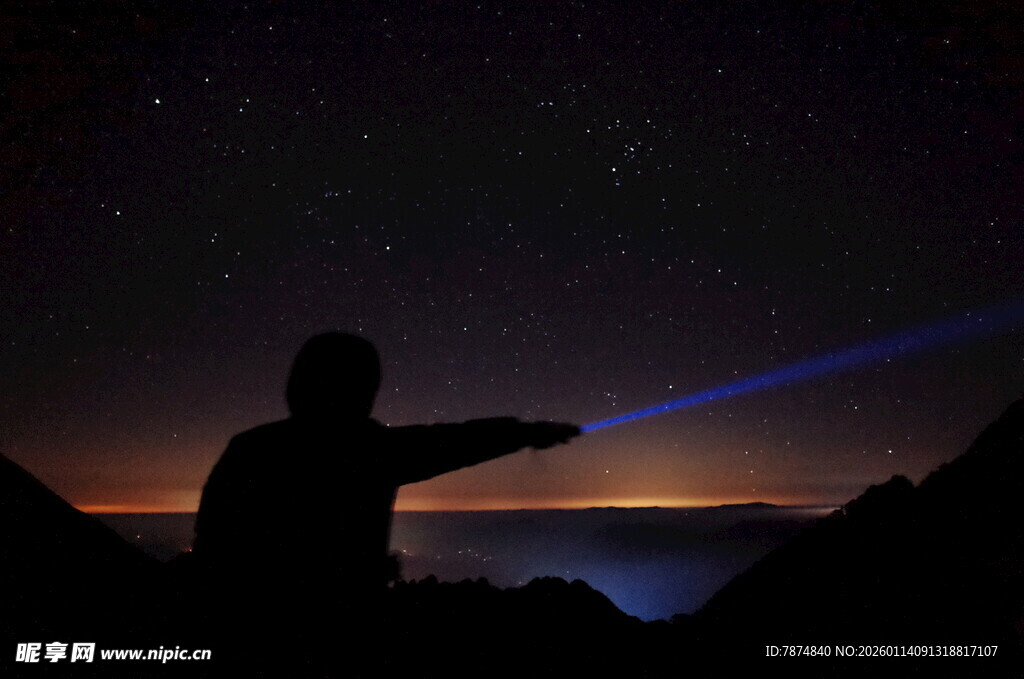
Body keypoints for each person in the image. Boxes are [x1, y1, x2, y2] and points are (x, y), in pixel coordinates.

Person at [192, 332, 579, 673]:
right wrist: (530, 432)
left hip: (247, 630)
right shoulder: (370, 450)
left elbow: (213, 543)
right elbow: (457, 441)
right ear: (364, 389)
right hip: (345, 634)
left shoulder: (250, 449)